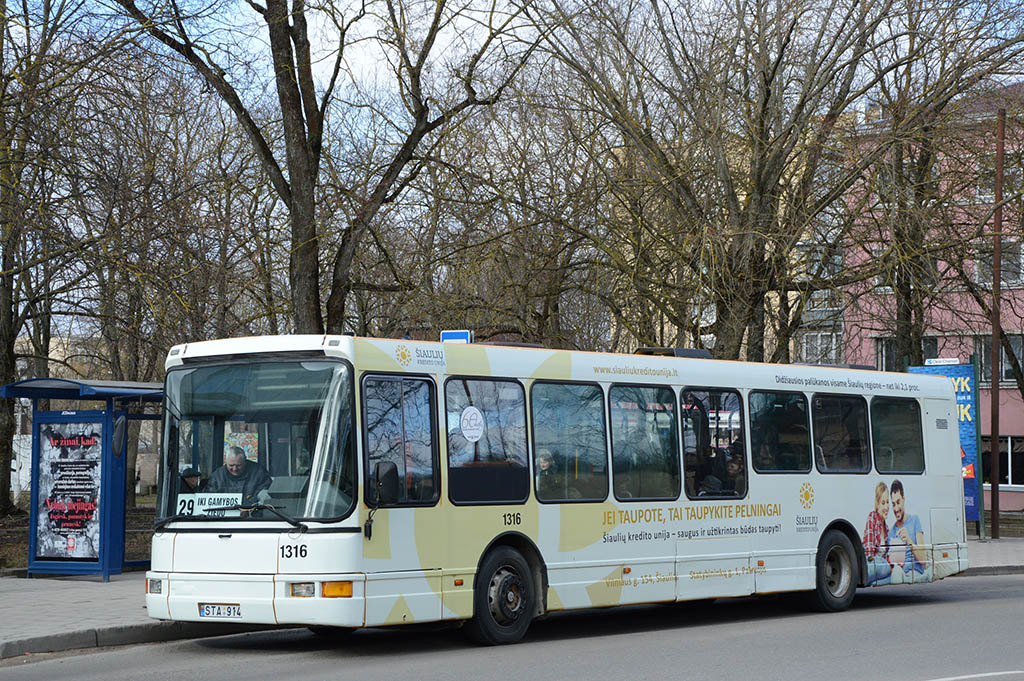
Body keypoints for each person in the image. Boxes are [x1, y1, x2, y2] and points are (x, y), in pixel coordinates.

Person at [887, 479, 929, 581]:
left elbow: (923, 560)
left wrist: (909, 541)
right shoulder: (891, 533)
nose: (896, 508)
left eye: (898, 502)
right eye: (893, 504)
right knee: (896, 571)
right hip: (900, 573)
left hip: (916, 573)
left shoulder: (915, 521)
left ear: (903, 499)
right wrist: (893, 563)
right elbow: (891, 567)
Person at [206, 446, 273, 506]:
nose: (235, 469)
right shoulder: (217, 476)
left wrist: (246, 508)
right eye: (231, 465)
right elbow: (209, 497)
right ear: (226, 462)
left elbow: (266, 495)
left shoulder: (259, 473)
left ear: (245, 461)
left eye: (238, 465)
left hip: (252, 516)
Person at [862, 481, 891, 585]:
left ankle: (876, 582)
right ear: (877, 504)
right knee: (888, 569)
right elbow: (869, 550)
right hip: (870, 562)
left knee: (890, 570)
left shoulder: (887, 528)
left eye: (888, 502)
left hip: (879, 565)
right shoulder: (872, 517)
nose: (886, 507)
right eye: (883, 503)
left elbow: (887, 555)